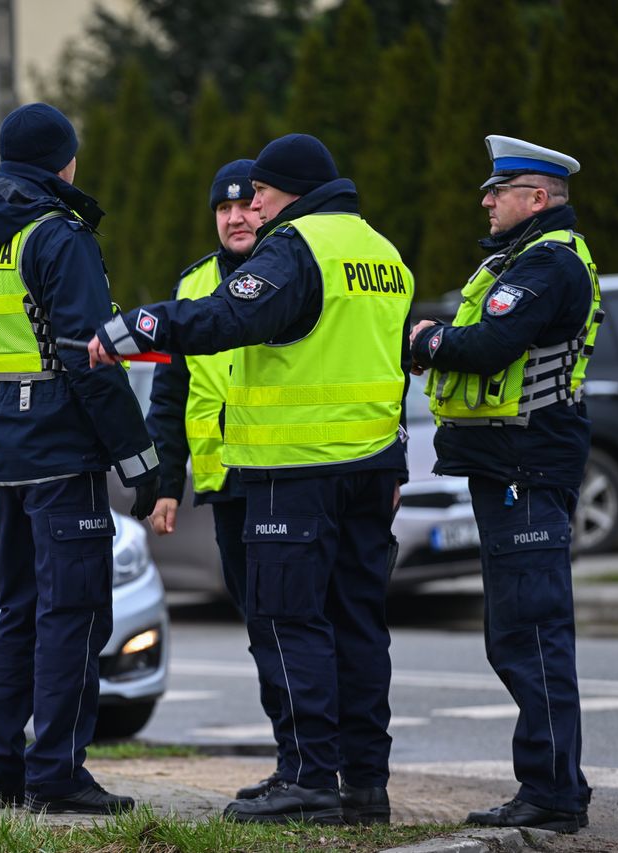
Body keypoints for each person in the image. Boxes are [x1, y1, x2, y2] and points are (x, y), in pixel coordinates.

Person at [89, 134, 412, 825]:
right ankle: (363, 783)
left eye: (262, 190)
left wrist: (138, 325)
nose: (252, 204)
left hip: (294, 470)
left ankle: (307, 778)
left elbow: (233, 314)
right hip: (368, 466)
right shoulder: (381, 251)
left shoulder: (297, 247)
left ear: (291, 188)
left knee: (289, 620)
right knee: (357, 624)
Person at [0, 103, 159, 815]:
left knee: (16, 609)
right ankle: (56, 771)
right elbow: (89, 358)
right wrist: (138, 457)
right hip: (62, 450)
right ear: (62, 161)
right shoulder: (57, 236)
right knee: (75, 612)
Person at [408, 135, 601, 834]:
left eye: (500, 189)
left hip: (528, 465)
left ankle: (553, 794)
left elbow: (489, 344)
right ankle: (548, 784)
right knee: (517, 631)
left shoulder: (546, 265)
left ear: (538, 198)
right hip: (509, 465)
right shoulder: (522, 260)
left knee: (531, 631)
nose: (487, 201)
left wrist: (427, 341)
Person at [142, 158, 290, 800]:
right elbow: (170, 394)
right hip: (227, 486)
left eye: (245, 206)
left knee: (298, 624)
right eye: (222, 209)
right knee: (263, 627)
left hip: (287, 475)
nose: (234, 218)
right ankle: (295, 762)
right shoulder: (196, 281)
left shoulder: (289, 269)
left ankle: (319, 765)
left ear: (264, 207)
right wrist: (165, 483)